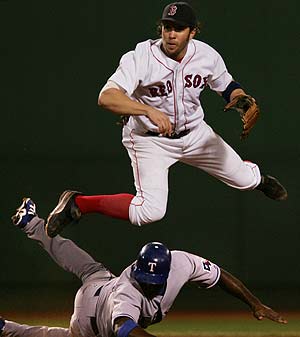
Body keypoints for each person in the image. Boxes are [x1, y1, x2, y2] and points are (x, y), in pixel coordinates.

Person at [45, 2, 287, 238]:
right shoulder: (140, 57)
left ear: (193, 32)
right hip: (150, 141)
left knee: (245, 179)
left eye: (178, 28)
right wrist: (146, 110)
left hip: (195, 135)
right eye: (166, 27)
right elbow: (106, 97)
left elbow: (227, 87)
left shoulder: (206, 55)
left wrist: (241, 98)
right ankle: (78, 204)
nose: (171, 34)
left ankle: (260, 180)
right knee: (149, 212)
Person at [0, 198, 287, 337]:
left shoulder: (181, 263)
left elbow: (220, 275)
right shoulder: (129, 290)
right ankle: (7, 329)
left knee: (89, 268)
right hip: (92, 315)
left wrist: (255, 303)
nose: (147, 282)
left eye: (152, 280)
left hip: (101, 282)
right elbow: (126, 329)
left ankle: (32, 224)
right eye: (143, 276)